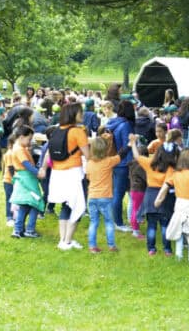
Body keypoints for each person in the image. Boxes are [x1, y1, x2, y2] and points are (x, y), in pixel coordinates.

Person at [46, 103, 90, 250]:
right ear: (73, 114)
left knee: (66, 206)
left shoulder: (57, 130)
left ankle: (63, 240)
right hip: (74, 173)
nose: (82, 114)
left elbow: (48, 153)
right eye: (80, 112)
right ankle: (67, 240)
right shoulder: (78, 132)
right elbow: (88, 155)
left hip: (57, 173)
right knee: (78, 206)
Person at [8, 126, 45, 239]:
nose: (30, 142)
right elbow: (26, 164)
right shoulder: (19, 149)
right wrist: (37, 173)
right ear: (21, 137)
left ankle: (18, 230)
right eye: (29, 139)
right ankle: (29, 230)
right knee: (35, 204)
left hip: (23, 178)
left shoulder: (18, 147)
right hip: (27, 179)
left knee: (24, 205)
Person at [85, 136, 121, 253]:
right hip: (105, 196)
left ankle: (92, 246)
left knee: (93, 221)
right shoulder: (108, 161)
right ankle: (111, 245)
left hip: (92, 196)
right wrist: (130, 145)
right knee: (109, 221)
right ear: (105, 149)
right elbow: (121, 155)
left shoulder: (89, 163)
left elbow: (88, 178)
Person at [106, 100, 136, 233]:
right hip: (123, 163)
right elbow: (127, 145)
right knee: (119, 194)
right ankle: (118, 222)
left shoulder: (113, 123)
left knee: (115, 193)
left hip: (113, 160)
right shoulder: (126, 125)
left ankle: (115, 219)